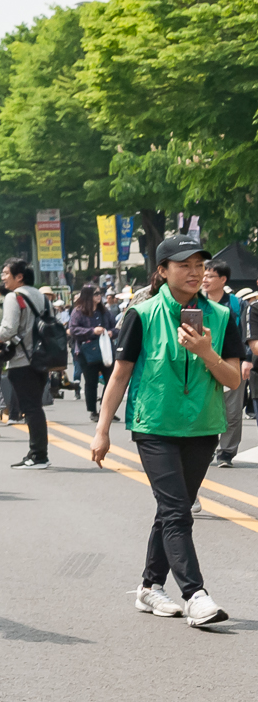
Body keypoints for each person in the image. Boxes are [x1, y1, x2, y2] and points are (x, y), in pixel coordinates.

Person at [88, 236, 239, 629]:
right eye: (183, 264)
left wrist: (206, 352)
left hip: (203, 427)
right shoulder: (142, 315)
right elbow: (119, 376)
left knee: (172, 509)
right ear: (162, 271)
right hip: (154, 425)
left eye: (199, 265)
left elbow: (233, 379)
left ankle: (149, 586)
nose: (194, 272)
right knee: (177, 510)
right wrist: (102, 431)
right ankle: (196, 595)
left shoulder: (223, 317)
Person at [0, 259, 59, 471]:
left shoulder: (14, 296)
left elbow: (8, 329)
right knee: (35, 407)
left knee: (31, 408)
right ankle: (36, 453)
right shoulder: (41, 296)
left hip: (22, 361)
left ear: (19, 276)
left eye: (5, 273)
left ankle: (39, 456)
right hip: (42, 360)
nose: (2, 277)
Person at [200, 263, 250, 468]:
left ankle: (226, 453)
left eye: (210, 276)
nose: (204, 280)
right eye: (204, 276)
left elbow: (247, 333)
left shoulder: (237, 305)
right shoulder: (195, 304)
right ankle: (204, 448)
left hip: (231, 363)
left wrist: (247, 359)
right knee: (204, 408)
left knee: (232, 411)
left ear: (223, 280)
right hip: (202, 364)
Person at [67, 285, 111, 421]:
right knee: (91, 382)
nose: (99, 296)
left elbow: (116, 327)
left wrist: (111, 332)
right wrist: (92, 331)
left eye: (100, 293)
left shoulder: (104, 311)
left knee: (111, 381)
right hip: (86, 352)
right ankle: (93, 410)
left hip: (105, 350)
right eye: (95, 293)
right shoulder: (78, 311)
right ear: (88, 296)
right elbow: (73, 330)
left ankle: (106, 408)